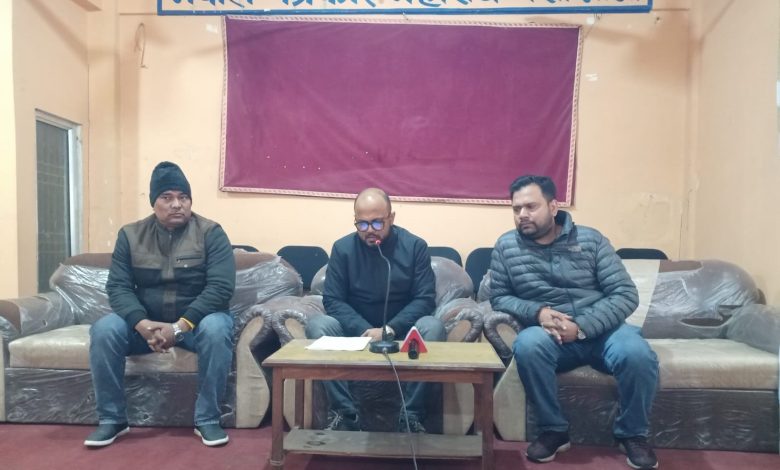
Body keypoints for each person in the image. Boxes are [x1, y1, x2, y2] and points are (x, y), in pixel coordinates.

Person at [489, 175, 659, 470]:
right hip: (550, 334)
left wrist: (581, 327)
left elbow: (625, 294)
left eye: (531, 206)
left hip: (603, 331)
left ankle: (633, 434)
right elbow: (499, 297)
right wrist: (538, 312)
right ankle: (554, 430)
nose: (522, 215)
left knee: (637, 353)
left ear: (553, 207)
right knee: (527, 344)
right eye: (516, 209)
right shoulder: (506, 246)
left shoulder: (591, 240)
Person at [84, 161, 236, 448]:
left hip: (195, 326)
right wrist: (141, 324)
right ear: (153, 202)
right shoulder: (130, 235)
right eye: (167, 197)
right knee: (104, 329)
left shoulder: (211, 233)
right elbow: (118, 287)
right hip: (147, 326)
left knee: (218, 328)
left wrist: (179, 327)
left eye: (183, 197)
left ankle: (207, 419)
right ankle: (112, 419)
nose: (177, 204)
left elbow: (221, 288)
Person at [305, 187, 446, 433]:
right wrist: (365, 330)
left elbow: (425, 299)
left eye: (377, 222)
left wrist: (389, 329)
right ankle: (346, 415)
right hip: (356, 331)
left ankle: (410, 416)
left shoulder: (415, 247)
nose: (370, 230)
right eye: (362, 224)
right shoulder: (342, 248)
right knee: (318, 325)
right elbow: (333, 300)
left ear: (392, 217)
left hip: (400, 331)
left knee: (433, 327)